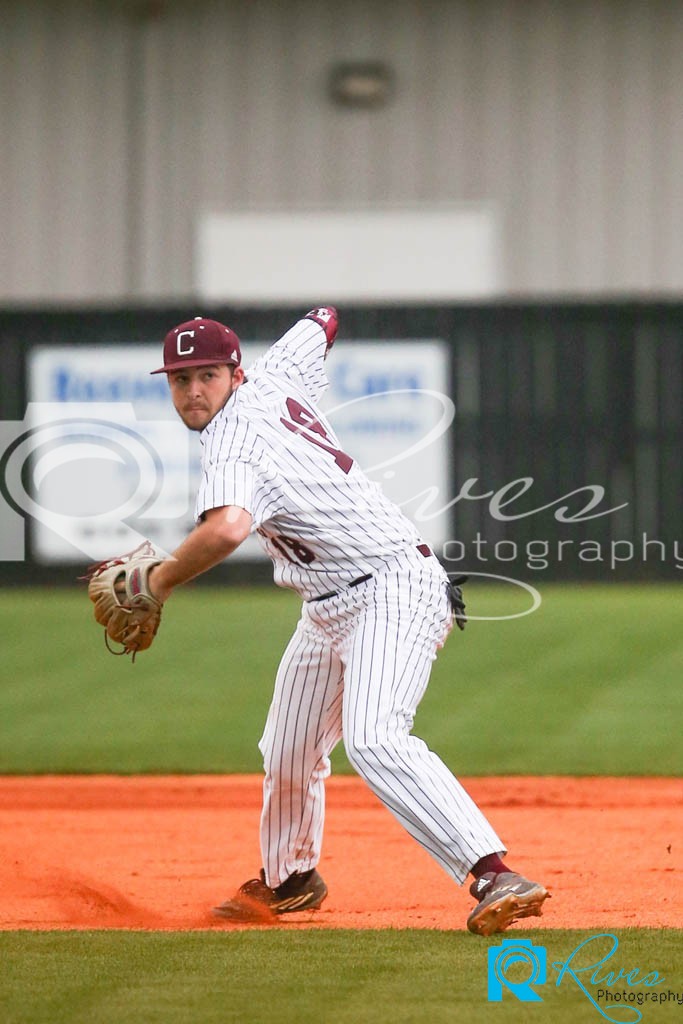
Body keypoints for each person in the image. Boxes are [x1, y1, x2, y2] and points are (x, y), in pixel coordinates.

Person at [147, 306, 549, 935]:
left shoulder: (231, 436)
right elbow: (321, 322)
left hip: (393, 586)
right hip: (326, 606)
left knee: (376, 738)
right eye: (180, 379)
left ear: (234, 373)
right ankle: (290, 880)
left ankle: (495, 873)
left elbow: (227, 528)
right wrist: (321, 322)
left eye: (207, 375)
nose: (194, 391)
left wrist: (157, 581)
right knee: (288, 748)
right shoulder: (277, 374)